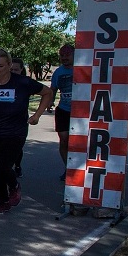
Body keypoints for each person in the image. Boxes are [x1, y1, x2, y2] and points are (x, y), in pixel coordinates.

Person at [0, 49, 53, 213]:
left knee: (2, 166)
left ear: (9, 65)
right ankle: (3, 200)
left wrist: (37, 115)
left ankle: (14, 185)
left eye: (0, 66)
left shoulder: (22, 82)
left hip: (15, 132)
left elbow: (47, 92)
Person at [50, 44, 75, 181]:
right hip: (63, 110)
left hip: (81, 112)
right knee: (64, 139)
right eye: (62, 55)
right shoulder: (58, 72)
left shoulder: (82, 69)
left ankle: (79, 169)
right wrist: (50, 102)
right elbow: (53, 89)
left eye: (67, 55)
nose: (64, 58)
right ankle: (68, 169)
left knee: (78, 141)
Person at [10, 57, 28, 177]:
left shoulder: (25, 83)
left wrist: (37, 115)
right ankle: (5, 170)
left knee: (17, 147)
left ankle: (17, 165)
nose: (13, 72)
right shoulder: (0, 81)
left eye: (16, 70)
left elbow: (47, 92)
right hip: (2, 122)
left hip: (19, 122)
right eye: (11, 70)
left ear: (21, 70)